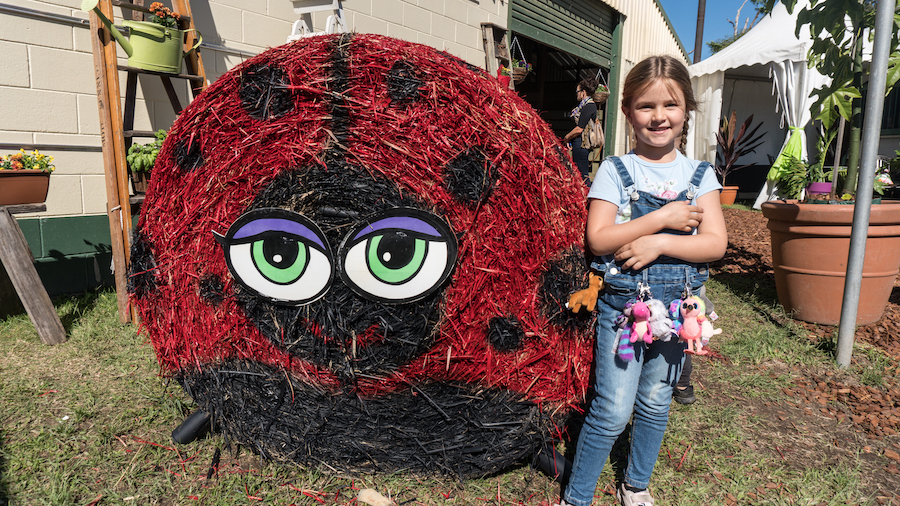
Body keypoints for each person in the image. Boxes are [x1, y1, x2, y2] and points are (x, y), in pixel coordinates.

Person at [558, 55, 727, 506]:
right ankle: (577, 496)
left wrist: (658, 243)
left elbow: (714, 244)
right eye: (646, 106)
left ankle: (636, 484)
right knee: (612, 411)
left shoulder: (701, 175)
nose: (659, 116)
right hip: (624, 310)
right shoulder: (615, 171)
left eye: (670, 105)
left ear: (685, 110)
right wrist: (665, 219)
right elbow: (598, 239)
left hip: (677, 313)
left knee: (655, 401)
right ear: (629, 111)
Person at [563, 77, 599, 184]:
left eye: (577, 92)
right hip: (578, 144)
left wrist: (566, 138)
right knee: (578, 174)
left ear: (583, 92)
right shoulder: (583, 106)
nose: (576, 94)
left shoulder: (589, 106)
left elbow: (579, 129)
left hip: (582, 145)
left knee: (582, 175)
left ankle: (587, 197)